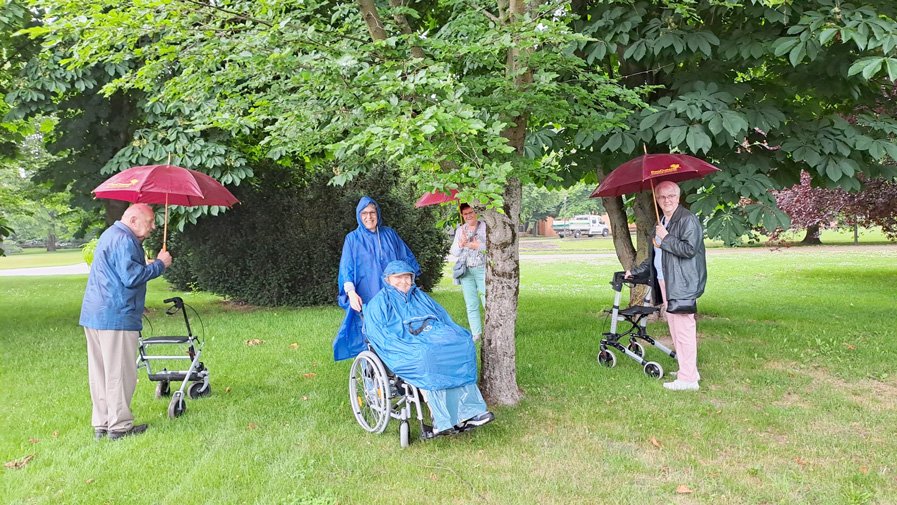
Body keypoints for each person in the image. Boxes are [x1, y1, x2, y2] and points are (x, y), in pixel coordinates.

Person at [364, 260, 494, 436]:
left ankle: (470, 412)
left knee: (461, 344)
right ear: (387, 279)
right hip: (404, 345)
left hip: (431, 338)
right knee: (427, 355)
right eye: (398, 278)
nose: (403, 281)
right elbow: (381, 335)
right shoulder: (379, 303)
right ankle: (439, 418)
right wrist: (409, 343)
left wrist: (455, 335)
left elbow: (443, 319)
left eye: (407, 277)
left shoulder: (421, 297)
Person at [80, 203, 172, 440]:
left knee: (100, 372)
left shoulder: (111, 234)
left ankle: (102, 423)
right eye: (149, 221)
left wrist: (147, 265)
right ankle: (119, 426)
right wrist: (160, 265)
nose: (153, 227)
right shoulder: (125, 240)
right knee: (119, 372)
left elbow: (121, 272)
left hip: (95, 313)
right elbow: (131, 278)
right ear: (133, 220)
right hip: (116, 314)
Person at [625, 181, 707, 391]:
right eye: (662, 197)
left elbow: (689, 250)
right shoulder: (661, 222)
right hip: (666, 281)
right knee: (675, 328)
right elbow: (655, 256)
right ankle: (687, 370)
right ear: (657, 200)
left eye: (671, 196)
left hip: (682, 282)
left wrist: (666, 238)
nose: (666, 200)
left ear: (678, 197)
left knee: (684, 328)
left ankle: (688, 380)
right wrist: (634, 272)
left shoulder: (687, 220)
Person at [333, 196, 421, 361]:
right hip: (368, 294)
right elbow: (347, 268)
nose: (369, 216)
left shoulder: (390, 234)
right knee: (372, 334)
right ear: (359, 215)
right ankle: (371, 376)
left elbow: (405, 259)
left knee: (398, 330)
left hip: (394, 293)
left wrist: (410, 282)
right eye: (364, 213)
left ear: (378, 214)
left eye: (372, 212)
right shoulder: (352, 239)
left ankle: (398, 372)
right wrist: (351, 293)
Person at [449, 203, 487, 341]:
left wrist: (478, 246)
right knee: (471, 303)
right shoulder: (460, 230)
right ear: (462, 216)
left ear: (476, 212)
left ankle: (491, 330)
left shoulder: (484, 227)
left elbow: (492, 248)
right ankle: (476, 333)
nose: (468, 216)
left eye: (471, 212)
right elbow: (454, 252)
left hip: (482, 268)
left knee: (487, 300)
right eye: (465, 214)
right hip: (466, 271)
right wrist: (460, 243)